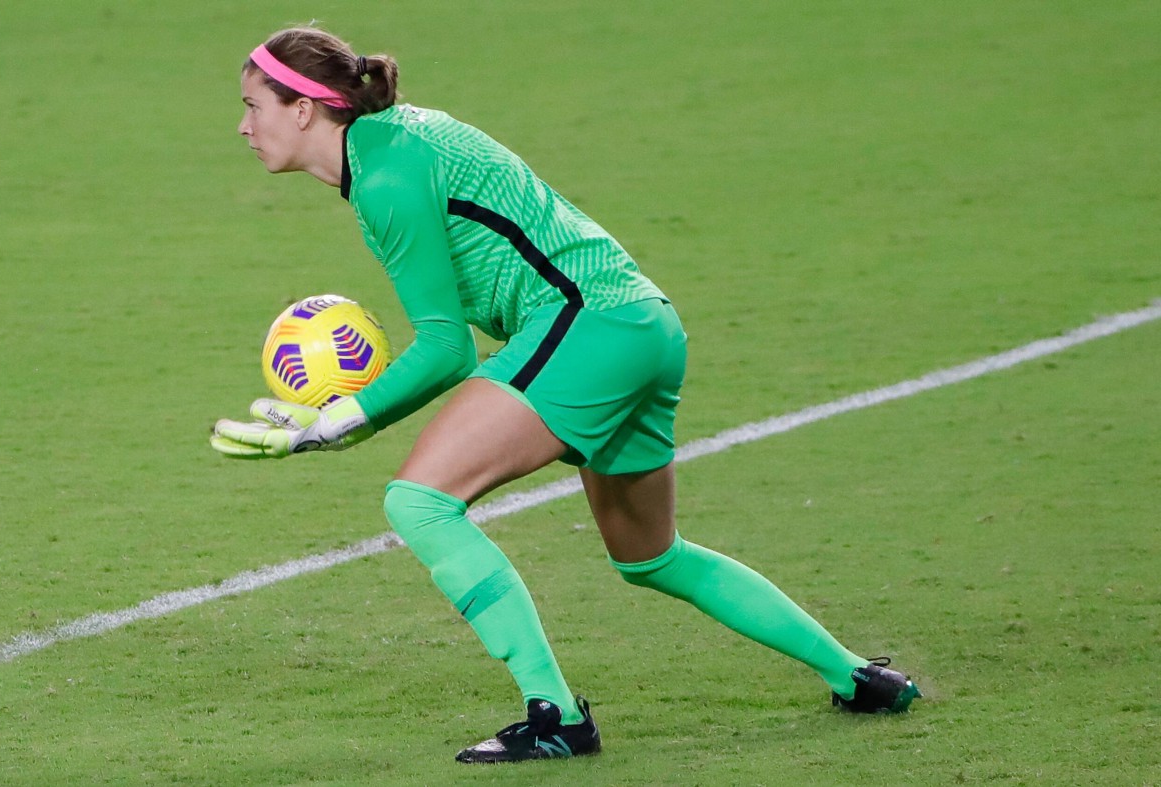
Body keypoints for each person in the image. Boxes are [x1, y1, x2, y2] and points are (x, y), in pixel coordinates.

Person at [211, 26, 921, 764]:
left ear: (304, 109)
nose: (243, 125)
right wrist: (344, 420)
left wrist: (334, 422)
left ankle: (555, 715)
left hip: (588, 326)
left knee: (418, 500)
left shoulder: (386, 178)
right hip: (645, 323)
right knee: (650, 556)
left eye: (253, 105)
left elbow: (446, 347)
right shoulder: (395, 144)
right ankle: (859, 676)